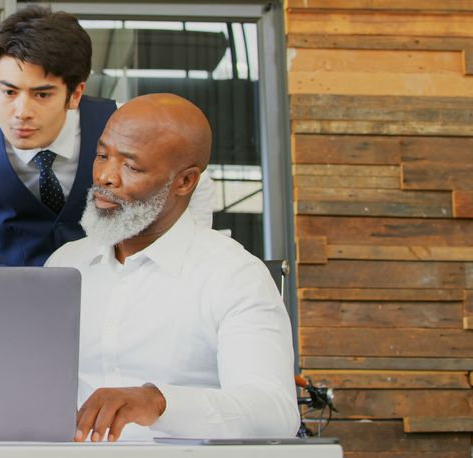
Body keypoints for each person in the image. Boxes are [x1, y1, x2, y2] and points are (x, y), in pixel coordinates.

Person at [46, 93, 299, 442]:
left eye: (130, 167)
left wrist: (160, 402)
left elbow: (275, 412)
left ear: (185, 181)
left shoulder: (235, 276)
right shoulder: (65, 265)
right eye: (102, 155)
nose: (105, 176)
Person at [0, 5, 212, 267]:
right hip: (15, 298)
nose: (21, 112)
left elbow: (197, 182)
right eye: (9, 92)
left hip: (108, 289)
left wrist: (187, 259)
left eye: (42, 95)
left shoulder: (120, 124)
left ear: (75, 94)